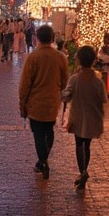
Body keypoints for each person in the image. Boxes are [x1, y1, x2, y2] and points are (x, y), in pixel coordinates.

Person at [17, 23, 69, 181]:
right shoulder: (60, 57)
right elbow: (64, 82)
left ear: (37, 38)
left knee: (38, 134)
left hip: (36, 103)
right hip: (52, 102)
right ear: (52, 38)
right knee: (49, 131)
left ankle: (43, 161)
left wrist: (22, 104)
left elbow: (25, 84)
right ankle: (43, 161)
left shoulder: (33, 57)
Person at [62, 45, 107, 189]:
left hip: (78, 117)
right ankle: (84, 171)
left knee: (78, 144)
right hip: (93, 118)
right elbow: (103, 99)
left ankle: (82, 171)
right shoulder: (98, 82)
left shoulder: (75, 79)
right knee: (87, 145)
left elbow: (66, 96)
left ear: (79, 60)